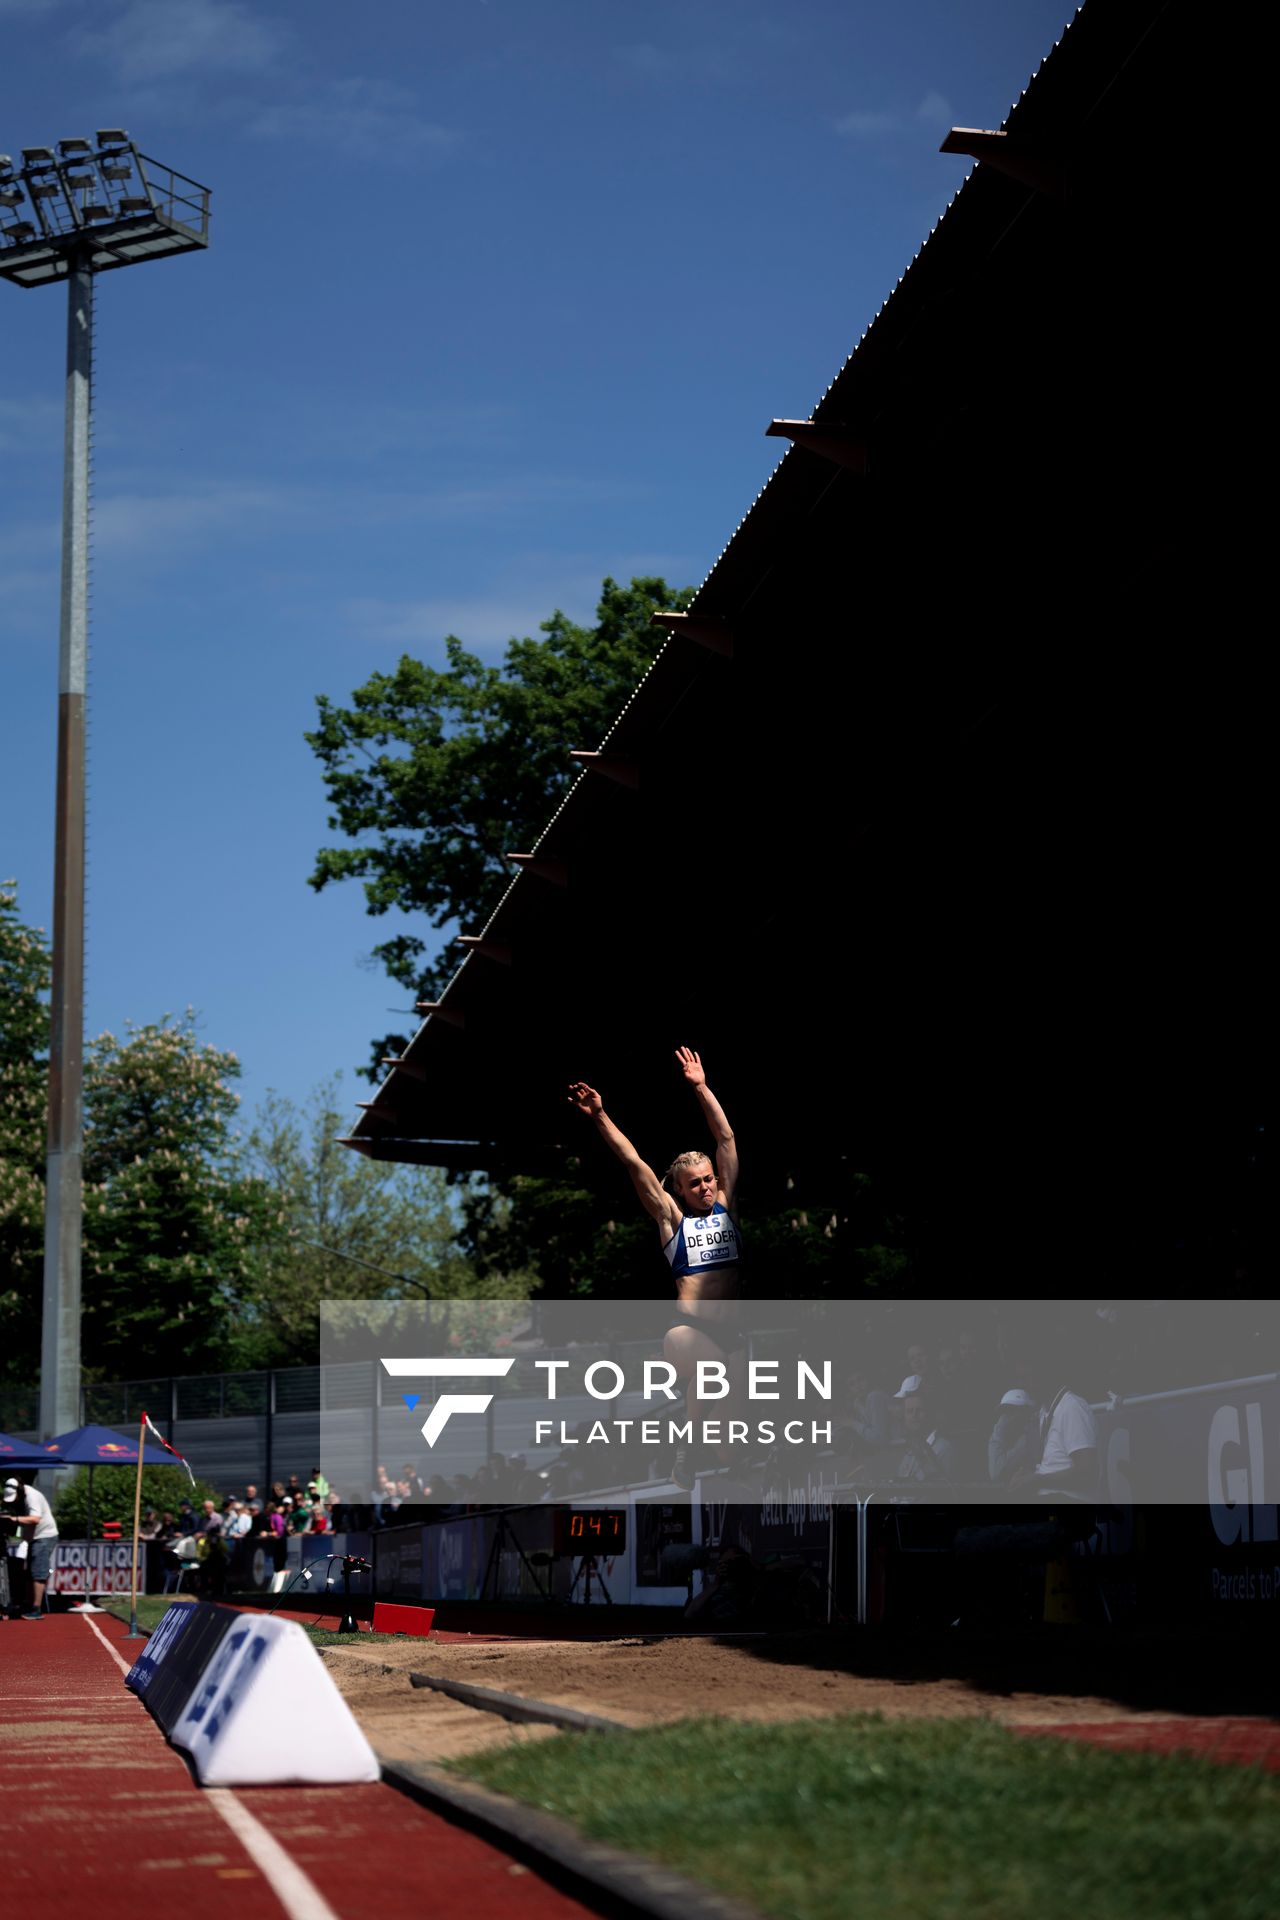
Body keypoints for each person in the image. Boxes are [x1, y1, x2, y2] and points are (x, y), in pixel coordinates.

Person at [568, 1046, 743, 1490]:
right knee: (712, 1372)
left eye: (709, 1179)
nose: (705, 1187)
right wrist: (599, 1116)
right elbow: (634, 1163)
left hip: (732, 1337)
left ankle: (708, 1475)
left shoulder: (727, 1208)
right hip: (686, 1332)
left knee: (734, 1449)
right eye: (694, 1184)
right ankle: (687, 1446)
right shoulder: (672, 1221)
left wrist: (701, 1087)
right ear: (679, 1190)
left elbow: (725, 1140)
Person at [3, 1474, 59, 1618]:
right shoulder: (23, 1496)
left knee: (38, 1572)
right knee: (29, 1573)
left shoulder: (31, 1496)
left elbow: (35, 1519)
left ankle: (36, 1609)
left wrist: (13, 1519)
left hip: (44, 1536)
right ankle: (28, 1605)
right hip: (34, 1538)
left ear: (19, 1490)